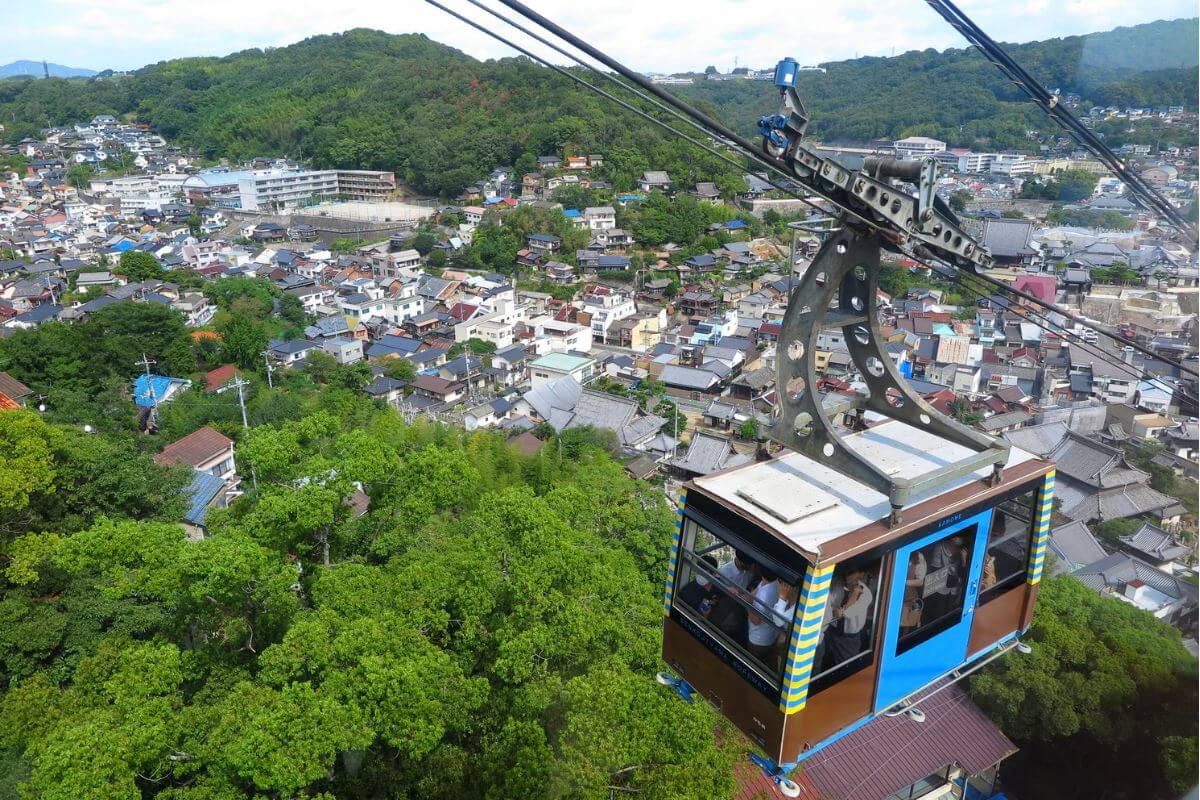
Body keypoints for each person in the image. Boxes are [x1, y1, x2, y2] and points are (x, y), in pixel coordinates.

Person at [823, 566, 874, 667]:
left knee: (845, 667)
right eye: (847, 572)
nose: (848, 575)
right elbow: (829, 602)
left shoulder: (866, 594)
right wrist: (834, 612)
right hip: (832, 629)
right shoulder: (838, 582)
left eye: (852, 572)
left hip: (848, 639)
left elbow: (848, 612)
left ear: (861, 574)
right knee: (826, 661)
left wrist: (855, 593)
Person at [746, 568, 783, 661]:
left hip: (758, 640)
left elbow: (756, 620)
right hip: (770, 635)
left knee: (752, 662)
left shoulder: (764, 595)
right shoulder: (774, 583)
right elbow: (752, 595)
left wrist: (747, 604)